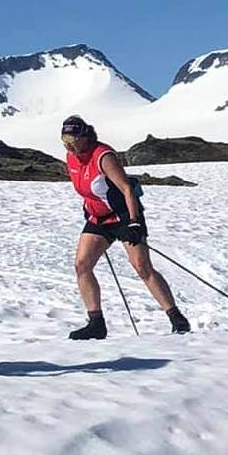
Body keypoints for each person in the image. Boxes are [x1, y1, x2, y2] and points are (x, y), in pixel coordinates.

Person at [62, 115, 188, 338]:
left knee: (142, 267)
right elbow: (88, 188)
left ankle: (176, 318)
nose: (68, 144)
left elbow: (126, 189)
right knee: (82, 265)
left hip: (123, 216)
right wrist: (89, 206)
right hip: (98, 220)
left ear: (84, 136)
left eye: (72, 138)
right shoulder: (71, 159)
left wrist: (134, 221)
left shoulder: (103, 156)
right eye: (64, 138)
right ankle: (96, 323)